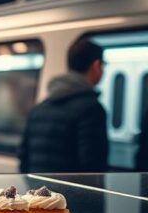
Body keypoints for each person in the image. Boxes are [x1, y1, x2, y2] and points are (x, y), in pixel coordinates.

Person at [18, 38, 108, 173]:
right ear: (96, 66)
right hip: (70, 194)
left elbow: (23, 159)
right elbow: (93, 168)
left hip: (37, 191)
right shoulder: (92, 110)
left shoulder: (38, 109)